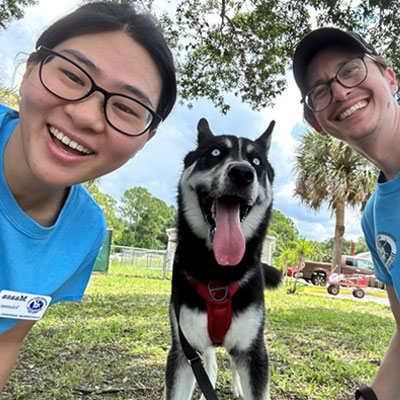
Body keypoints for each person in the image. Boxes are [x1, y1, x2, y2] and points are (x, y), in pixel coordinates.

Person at [0, 1, 176, 393]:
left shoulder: (85, 230)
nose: (86, 117)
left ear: (145, 139)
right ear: (30, 70)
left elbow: (6, 338)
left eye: (126, 108)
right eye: (73, 76)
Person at [293, 27, 400, 400]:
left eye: (350, 69)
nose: (339, 91)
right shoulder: (375, 219)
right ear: (317, 124)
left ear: (389, 76)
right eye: (320, 90)